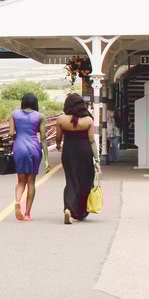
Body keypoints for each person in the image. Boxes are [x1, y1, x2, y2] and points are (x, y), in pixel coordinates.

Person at [50, 92, 96, 223]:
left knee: (71, 180)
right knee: (86, 180)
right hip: (85, 152)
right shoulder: (88, 120)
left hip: (69, 151)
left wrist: (58, 145)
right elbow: (92, 141)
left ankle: (68, 209)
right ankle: (80, 211)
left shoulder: (61, 120)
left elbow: (58, 138)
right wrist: (97, 160)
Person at [3, 92, 46, 221]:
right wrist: (48, 160)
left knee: (21, 180)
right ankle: (27, 214)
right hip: (34, 148)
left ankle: (17, 202)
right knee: (31, 182)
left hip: (19, 147)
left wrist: (16, 135)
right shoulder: (40, 116)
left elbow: (11, 134)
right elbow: (43, 138)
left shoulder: (14, 114)